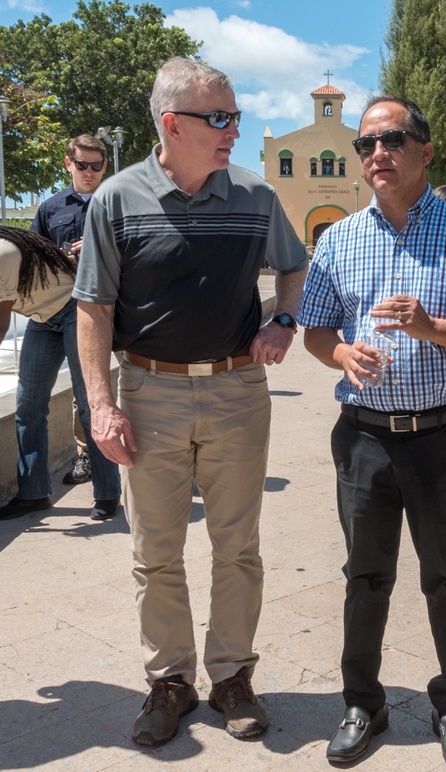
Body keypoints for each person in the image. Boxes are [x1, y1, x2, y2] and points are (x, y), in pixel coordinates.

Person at [73, 57, 307, 747]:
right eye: (221, 117)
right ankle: (170, 680)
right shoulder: (116, 199)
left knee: (239, 547)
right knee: (156, 551)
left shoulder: (257, 197)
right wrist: (100, 405)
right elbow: (93, 308)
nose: (235, 128)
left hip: (238, 390)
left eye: (234, 115)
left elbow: (295, 267)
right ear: (173, 124)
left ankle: (232, 675)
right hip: (147, 393)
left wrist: (284, 321)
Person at [297, 95, 446, 771]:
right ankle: (362, 704)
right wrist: (341, 354)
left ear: (425, 152)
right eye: (366, 144)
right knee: (365, 575)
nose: (377, 154)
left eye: (392, 140)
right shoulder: (338, 239)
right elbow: (314, 330)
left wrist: (431, 327)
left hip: (440, 440)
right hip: (363, 436)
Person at [0, 226, 121, 521]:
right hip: (43, 319)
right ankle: (33, 493)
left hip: (76, 309)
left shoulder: (1, 254)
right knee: (27, 405)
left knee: (89, 404)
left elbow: (0, 324)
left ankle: (108, 493)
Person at [30, 134, 111, 487]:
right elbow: (31, 259)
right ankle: (38, 486)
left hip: (99, 312)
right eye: (82, 165)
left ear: (105, 166)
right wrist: (56, 257)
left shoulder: (116, 204)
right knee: (30, 402)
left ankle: (107, 481)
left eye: (96, 166)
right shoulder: (50, 208)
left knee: (95, 395)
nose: (89, 172)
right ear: (69, 164)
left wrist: (96, 249)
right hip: (51, 311)